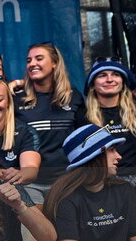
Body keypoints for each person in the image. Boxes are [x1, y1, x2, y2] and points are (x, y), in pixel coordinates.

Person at [14, 42, 84, 200]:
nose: (32, 64)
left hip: (66, 181)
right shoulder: (17, 98)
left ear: (54, 63)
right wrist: (15, 84)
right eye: (29, 60)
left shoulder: (73, 96)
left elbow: (83, 138)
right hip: (30, 183)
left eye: (39, 58)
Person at [83, 59, 136, 184]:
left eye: (116, 74)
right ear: (92, 84)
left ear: (123, 82)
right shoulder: (82, 115)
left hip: (135, 178)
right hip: (99, 180)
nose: (109, 79)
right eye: (102, 75)